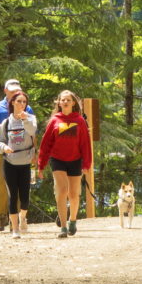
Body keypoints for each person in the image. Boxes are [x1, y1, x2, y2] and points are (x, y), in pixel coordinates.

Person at [36, 89, 92, 238]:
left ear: (73, 103)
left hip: (75, 160)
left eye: (68, 100)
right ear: (59, 103)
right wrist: (41, 165)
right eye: (63, 100)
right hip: (58, 160)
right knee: (61, 191)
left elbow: (85, 144)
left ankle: (72, 220)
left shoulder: (79, 120)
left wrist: (86, 164)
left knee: (73, 194)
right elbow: (45, 144)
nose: (65, 102)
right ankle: (63, 227)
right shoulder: (55, 120)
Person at [0, 78, 35, 232]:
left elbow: (33, 132)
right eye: (12, 91)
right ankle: (1, 216)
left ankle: (17, 219)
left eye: (17, 91)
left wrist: (34, 153)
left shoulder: (27, 108)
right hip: (0, 151)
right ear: (5, 91)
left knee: (19, 186)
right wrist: (1, 127)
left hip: (22, 153)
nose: (15, 94)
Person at [0, 89, 37, 239]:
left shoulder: (31, 118)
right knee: (13, 195)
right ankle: (15, 229)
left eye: (24, 102)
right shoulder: (6, 122)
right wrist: (4, 148)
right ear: (12, 102)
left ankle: (23, 216)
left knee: (25, 197)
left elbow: (32, 131)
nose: (21, 104)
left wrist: (25, 119)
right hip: (10, 163)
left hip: (25, 163)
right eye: (19, 101)